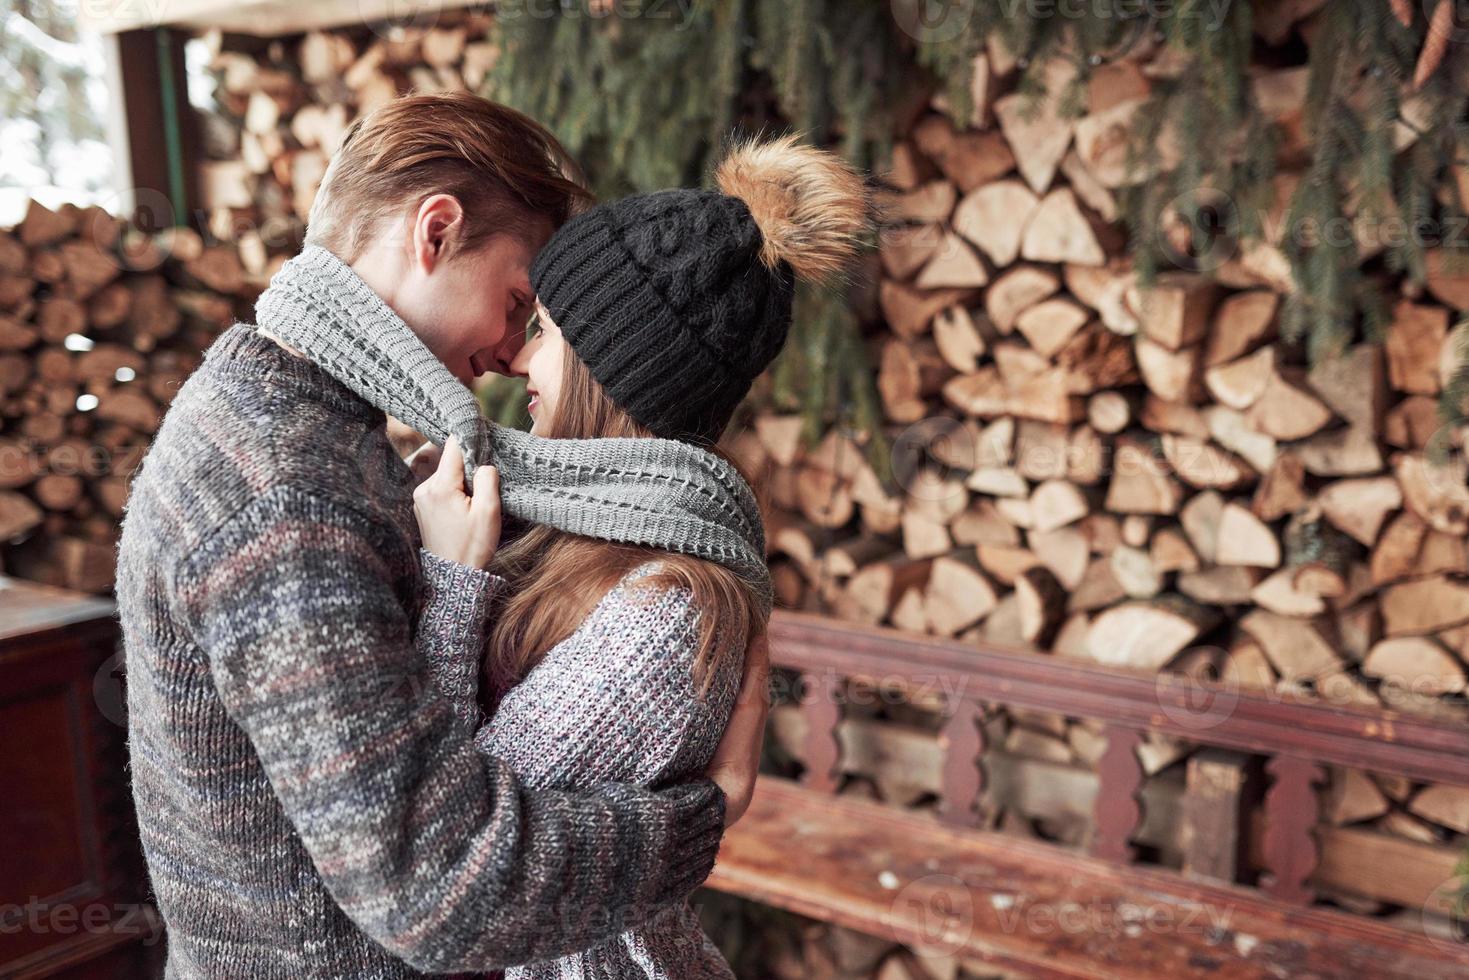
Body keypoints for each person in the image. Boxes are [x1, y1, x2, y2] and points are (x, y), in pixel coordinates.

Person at [114, 92, 767, 979]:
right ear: (435, 232)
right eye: (516, 300)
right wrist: (704, 815)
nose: (508, 353)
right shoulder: (285, 492)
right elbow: (441, 889)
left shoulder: (286, 426)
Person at [410, 135, 868, 979]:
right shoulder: (572, 531)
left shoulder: (667, 609)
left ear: (609, 367)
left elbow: (444, 842)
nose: (512, 357)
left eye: (541, 328)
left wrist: (449, 583)